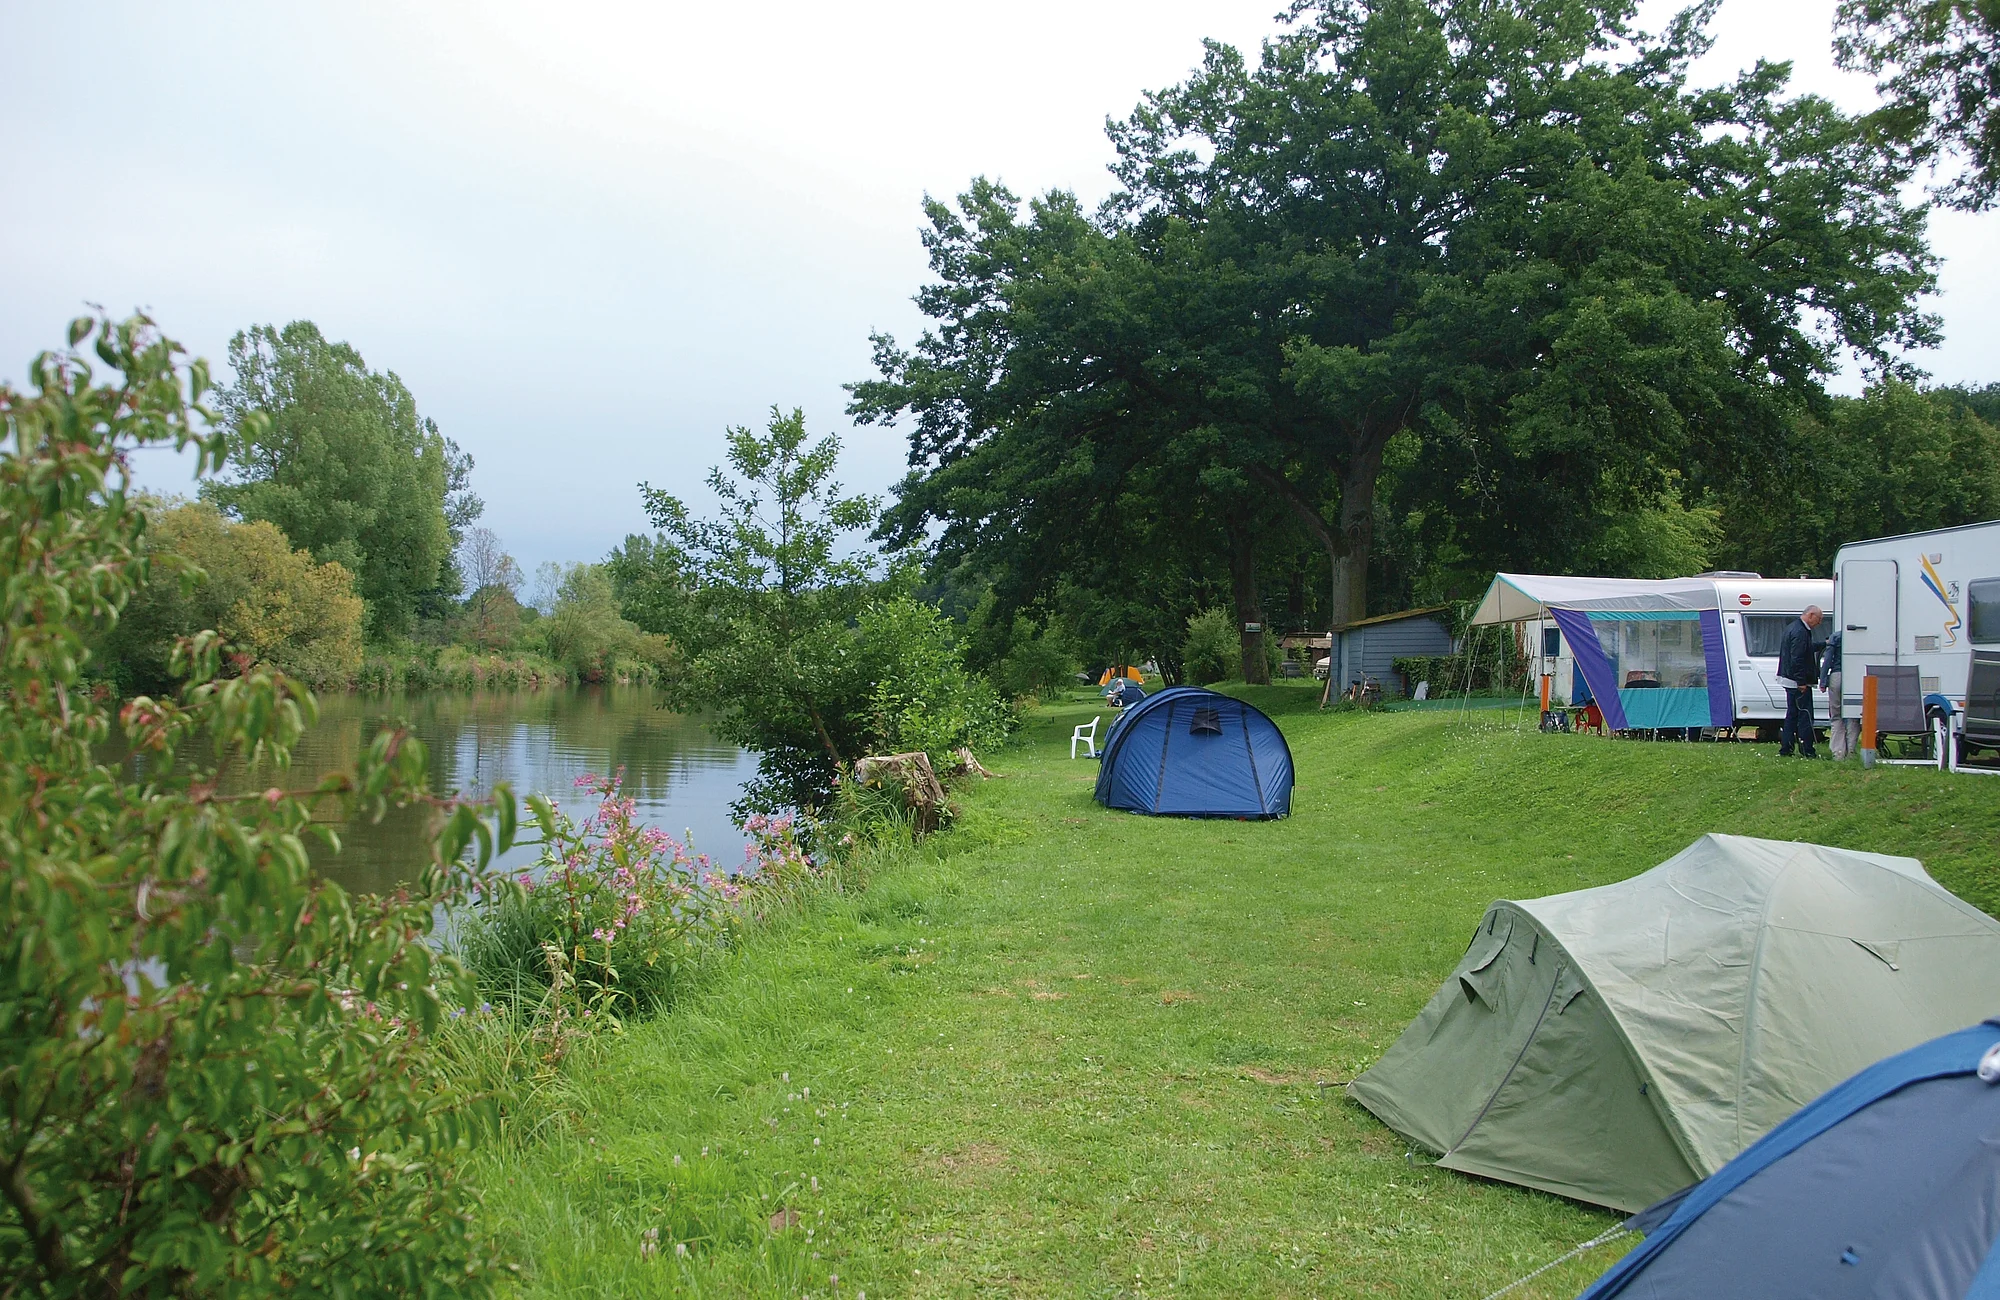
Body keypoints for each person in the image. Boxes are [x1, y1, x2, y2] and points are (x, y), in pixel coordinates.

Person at [1777, 606, 1824, 758]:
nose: (1819, 623)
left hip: (1789, 679)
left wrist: (1824, 643)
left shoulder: (1794, 628)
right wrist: (1801, 681)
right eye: (1819, 619)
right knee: (1804, 715)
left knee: (1792, 715)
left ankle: (1787, 748)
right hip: (1796, 682)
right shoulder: (1800, 632)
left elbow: (1805, 649)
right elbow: (1797, 658)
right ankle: (1807, 749)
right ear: (1811, 615)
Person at [1820, 628, 1854, 759]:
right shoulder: (1861, 636)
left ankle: (1838, 752)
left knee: (1836, 715)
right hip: (1855, 676)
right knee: (1853, 715)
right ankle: (1851, 751)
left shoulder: (1836, 636)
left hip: (1837, 675)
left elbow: (1828, 659)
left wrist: (1823, 680)